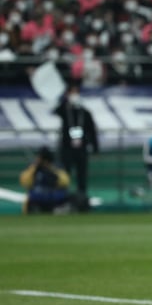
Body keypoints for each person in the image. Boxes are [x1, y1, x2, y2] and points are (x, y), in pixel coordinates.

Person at [54, 79, 98, 212]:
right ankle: (64, 200)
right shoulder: (65, 110)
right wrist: (65, 101)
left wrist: (95, 147)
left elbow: (92, 130)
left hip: (81, 148)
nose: (75, 95)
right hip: (67, 148)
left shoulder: (84, 112)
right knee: (65, 174)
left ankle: (82, 201)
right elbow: (56, 111)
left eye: (76, 92)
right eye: (72, 92)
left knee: (82, 175)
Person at [19, 146, 73, 214]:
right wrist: (35, 168)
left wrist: (51, 169)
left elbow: (66, 182)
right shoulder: (34, 168)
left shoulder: (56, 167)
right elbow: (25, 182)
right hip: (37, 199)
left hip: (55, 199)